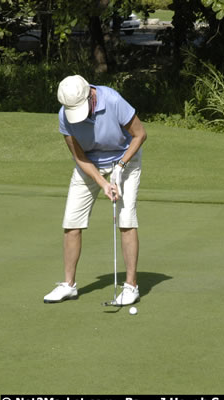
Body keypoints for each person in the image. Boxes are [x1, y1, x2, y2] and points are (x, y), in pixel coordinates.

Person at [44, 75, 147, 305]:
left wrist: (120, 167)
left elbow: (140, 134)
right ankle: (68, 285)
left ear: (90, 95)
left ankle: (131, 287)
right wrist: (103, 183)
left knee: (126, 219)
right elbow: (79, 156)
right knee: (71, 222)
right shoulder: (65, 115)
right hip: (90, 164)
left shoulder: (112, 100)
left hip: (125, 158)